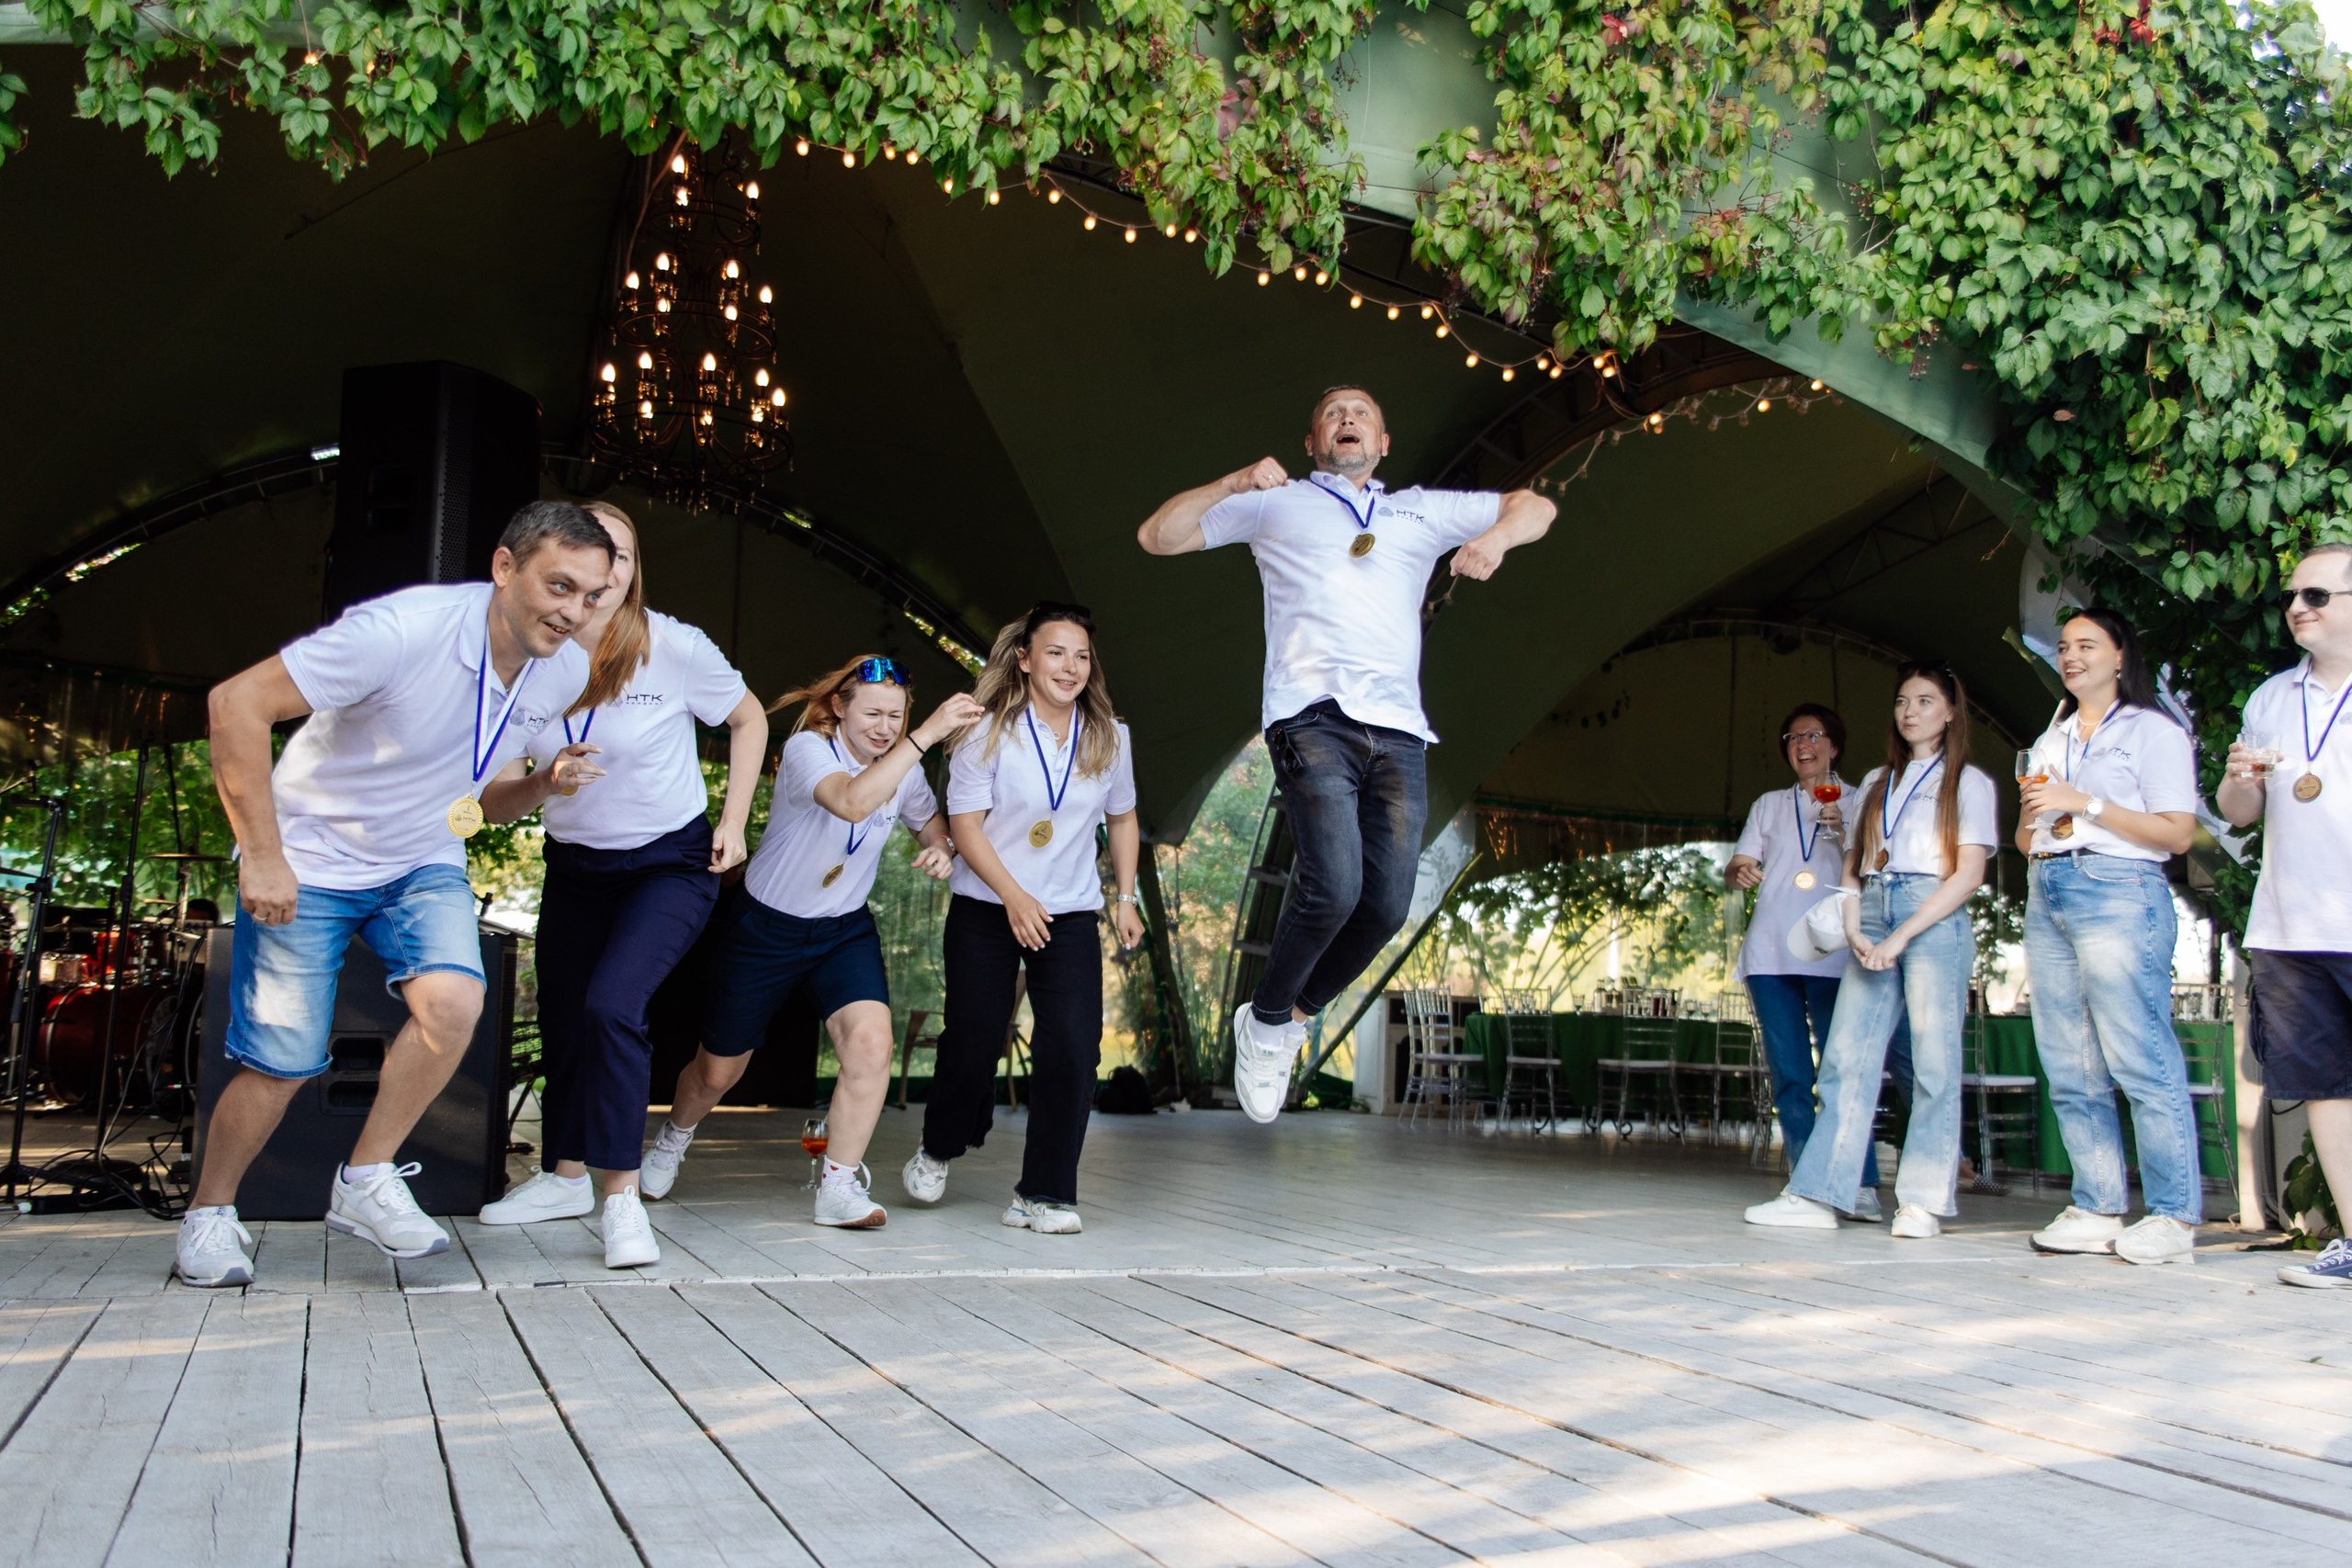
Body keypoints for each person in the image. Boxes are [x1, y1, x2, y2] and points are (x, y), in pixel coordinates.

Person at [180, 502, 611, 1288]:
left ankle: (367, 1175)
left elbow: (482, 795)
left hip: (419, 858)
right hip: (310, 856)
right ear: (505, 568)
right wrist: (265, 857)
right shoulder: (402, 631)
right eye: (560, 585)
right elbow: (233, 704)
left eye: (591, 595)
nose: (574, 611)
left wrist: (545, 783)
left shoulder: (568, 668)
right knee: (283, 1064)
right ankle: (209, 1216)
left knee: (455, 1004)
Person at [1137, 385, 1556, 1122]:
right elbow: (1157, 536)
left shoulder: (1418, 509)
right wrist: (1234, 482)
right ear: (1311, 441)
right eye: (1333, 413)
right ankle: (1267, 1025)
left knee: (1387, 902)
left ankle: (1292, 1013)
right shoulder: (1279, 502)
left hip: (1398, 730)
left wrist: (1494, 539)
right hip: (1311, 718)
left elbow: (1538, 506)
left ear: (1384, 441)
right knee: (1331, 884)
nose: (1348, 420)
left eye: (1362, 412)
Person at [472, 502, 768, 1269]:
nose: (607, 574)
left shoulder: (672, 645)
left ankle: (620, 1198)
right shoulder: (528, 653)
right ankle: (565, 1177)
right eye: (593, 557)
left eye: (623, 558)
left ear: (631, 574)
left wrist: (733, 822)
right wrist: (544, 781)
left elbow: (748, 718)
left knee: (612, 1007)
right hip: (577, 866)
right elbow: (496, 793)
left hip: (670, 861)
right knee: (569, 1019)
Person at [650, 655, 977, 1228]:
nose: (885, 727)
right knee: (717, 1074)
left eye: (897, 717)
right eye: (873, 713)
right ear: (837, 708)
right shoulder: (807, 750)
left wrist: (942, 847)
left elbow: (929, 821)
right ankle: (674, 1137)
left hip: (842, 929)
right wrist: (925, 736)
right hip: (765, 927)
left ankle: (839, 1187)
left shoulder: (905, 767)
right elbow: (852, 801)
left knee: (871, 1047)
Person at [910, 604, 1144, 1234]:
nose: (1070, 666)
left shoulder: (1110, 736)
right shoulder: (985, 730)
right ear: (1024, 657)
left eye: (1081, 655)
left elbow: (1121, 817)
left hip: (1068, 911)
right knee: (973, 1044)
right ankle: (940, 1144)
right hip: (988, 906)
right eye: (1055, 652)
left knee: (1071, 1045)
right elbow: (965, 826)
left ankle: (1045, 1192)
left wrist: (1125, 896)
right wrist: (1014, 896)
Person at [1745, 661, 1996, 1239]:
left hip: (1932, 909)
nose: (1910, 711)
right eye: (1903, 701)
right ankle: (1820, 1192)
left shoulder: (1969, 782)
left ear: (1951, 712)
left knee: (1932, 1063)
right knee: (1844, 1061)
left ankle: (1923, 1200)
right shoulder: (1880, 781)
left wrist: (1903, 935)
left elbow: (1968, 875)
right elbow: (1856, 865)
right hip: (1873, 904)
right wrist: (1857, 929)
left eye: (1925, 701)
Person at [2014, 608, 2201, 1266]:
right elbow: (2025, 831)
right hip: (2049, 885)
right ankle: (2096, 1203)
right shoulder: (2051, 735)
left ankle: (2175, 1214)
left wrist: (2082, 803)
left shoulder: (2153, 730)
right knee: (2069, 1060)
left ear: (2121, 656)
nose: (2071, 655)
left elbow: (2177, 833)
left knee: (2138, 1054)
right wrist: (2037, 816)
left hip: (2119, 887)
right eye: (2064, 646)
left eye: (2087, 644)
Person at [2220, 543, 2352, 1290]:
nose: (2297, 606)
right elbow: (2242, 813)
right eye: (2292, 596)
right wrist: (2240, 779)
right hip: (2289, 925)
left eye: (2317, 594)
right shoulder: (2273, 697)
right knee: (2328, 1086)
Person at [1725, 703, 1890, 1216]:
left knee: (1843, 1073)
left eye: (1814, 735)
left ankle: (1859, 1184)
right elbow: (1736, 865)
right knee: (1791, 1077)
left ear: (1834, 746)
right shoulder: (1769, 804)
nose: (1802, 744)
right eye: (1793, 737)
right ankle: (1806, 1183)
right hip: (1771, 951)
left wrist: (1844, 827)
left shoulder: (1860, 797)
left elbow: (1877, 862)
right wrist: (1740, 872)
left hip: (1835, 950)